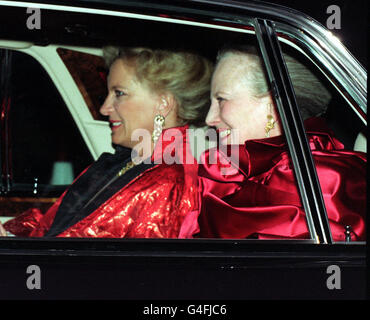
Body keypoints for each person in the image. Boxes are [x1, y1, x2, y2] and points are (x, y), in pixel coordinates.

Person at [1, 47, 212, 238]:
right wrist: (9, 233)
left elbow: (133, 275)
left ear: (163, 104)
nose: (104, 108)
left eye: (119, 93)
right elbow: (61, 223)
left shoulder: (167, 184)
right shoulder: (127, 163)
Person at [189, 45, 366, 241]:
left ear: (272, 104)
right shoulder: (234, 172)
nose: (209, 119)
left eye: (221, 99)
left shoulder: (319, 180)